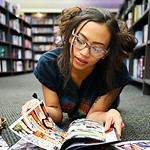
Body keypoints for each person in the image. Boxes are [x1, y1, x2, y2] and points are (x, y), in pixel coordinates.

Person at [22, 6, 136, 137]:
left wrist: (110, 113)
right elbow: (55, 112)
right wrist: (38, 109)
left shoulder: (116, 71)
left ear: (107, 52)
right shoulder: (49, 64)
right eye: (80, 40)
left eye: (97, 48)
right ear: (70, 36)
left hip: (99, 105)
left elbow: (92, 116)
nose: (84, 53)